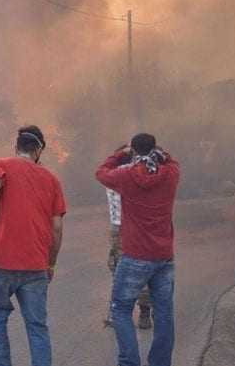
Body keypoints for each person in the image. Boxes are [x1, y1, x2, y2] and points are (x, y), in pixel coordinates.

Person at [0, 125, 66, 366]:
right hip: (35, 266)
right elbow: (57, 228)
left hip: (1, 262)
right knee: (37, 327)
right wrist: (51, 264)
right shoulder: (52, 180)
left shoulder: (3, 165)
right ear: (37, 151)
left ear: (17, 148)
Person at [96, 133, 180, 366]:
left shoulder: (125, 176)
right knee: (163, 313)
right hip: (164, 256)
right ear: (155, 151)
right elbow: (171, 161)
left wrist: (119, 154)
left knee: (121, 310)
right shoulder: (171, 174)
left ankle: (129, 362)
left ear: (133, 151)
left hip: (135, 255)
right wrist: (161, 151)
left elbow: (101, 172)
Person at [104, 154, 153, 330]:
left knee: (118, 269)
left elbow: (104, 170)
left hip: (118, 229)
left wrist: (117, 156)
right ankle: (144, 313)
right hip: (139, 228)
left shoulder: (112, 180)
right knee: (142, 268)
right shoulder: (138, 178)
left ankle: (115, 312)